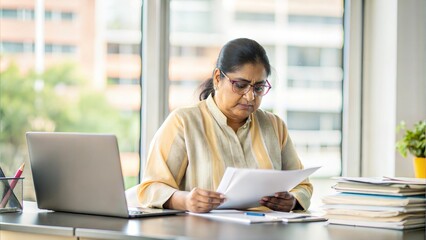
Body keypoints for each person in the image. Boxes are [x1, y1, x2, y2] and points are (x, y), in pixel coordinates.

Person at [137, 38, 313, 213]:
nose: (250, 96)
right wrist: (186, 201)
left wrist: (292, 201)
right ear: (217, 78)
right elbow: (150, 189)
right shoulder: (183, 123)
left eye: (258, 88)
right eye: (241, 85)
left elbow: (302, 185)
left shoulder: (274, 126)